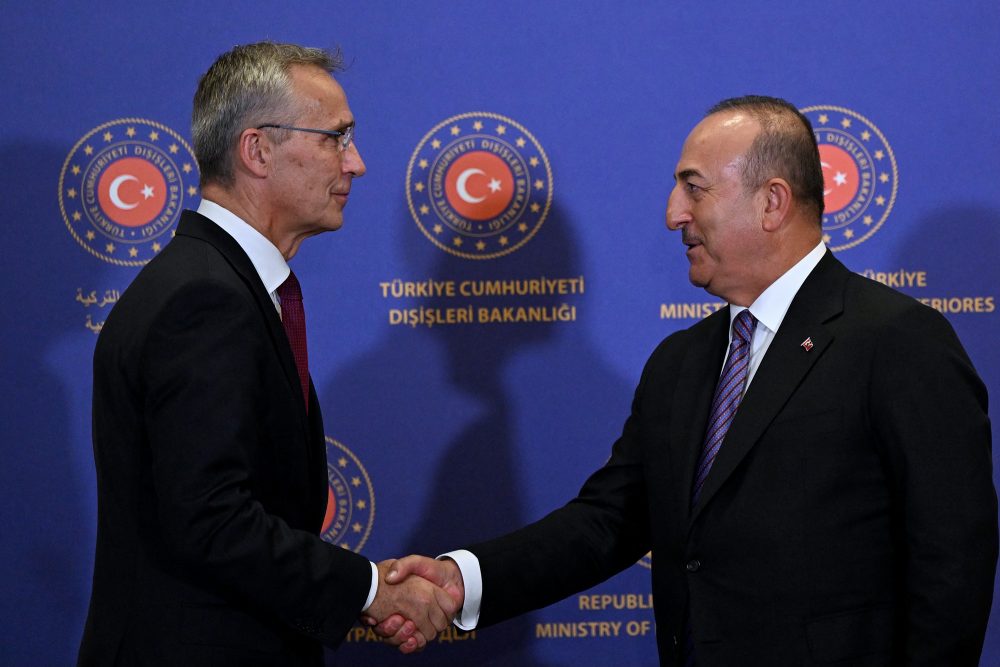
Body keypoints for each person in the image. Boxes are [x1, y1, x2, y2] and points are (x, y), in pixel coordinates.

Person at [375, 95, 998, 666]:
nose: (673, 214)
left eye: (693, 189)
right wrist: (464, 580)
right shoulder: (682, 360)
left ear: (772, 202)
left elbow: (953, 563)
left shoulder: (896, 341)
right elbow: (610, 521)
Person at [77, 41, 456, 667]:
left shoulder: (217, 283)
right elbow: (211, 519)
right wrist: (368, 590)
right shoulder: (203, 299)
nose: (356, 163)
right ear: (257, 150)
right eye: (335, 138)